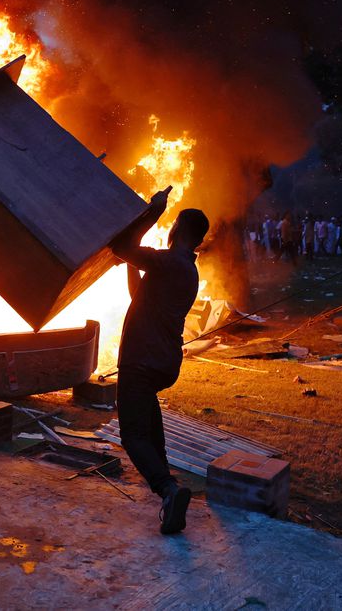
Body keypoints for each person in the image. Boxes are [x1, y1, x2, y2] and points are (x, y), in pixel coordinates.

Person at [110, 187, 206, 534]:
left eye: (172, 223)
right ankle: (173, 496)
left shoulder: (170, 263)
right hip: (160, 362)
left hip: (141, 360)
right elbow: (139, 293)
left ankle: (167, 489)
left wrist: (152, 212)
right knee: (149, 431)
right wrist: (130, 265)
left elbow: (122, 246)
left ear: (178, 230)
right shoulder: (181, 270)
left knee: (133, 436)